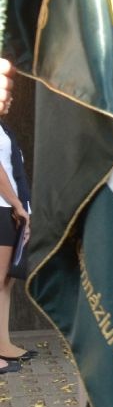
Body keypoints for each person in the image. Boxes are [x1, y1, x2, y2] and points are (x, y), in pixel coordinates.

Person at [0, 94, 32, 374]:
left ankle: (3, 344)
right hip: (2, 207)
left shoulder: (3, 129)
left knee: (5, 282)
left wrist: (24, 211)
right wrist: (17, 204)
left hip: (9, 209)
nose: (10, 98)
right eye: (5, 92)